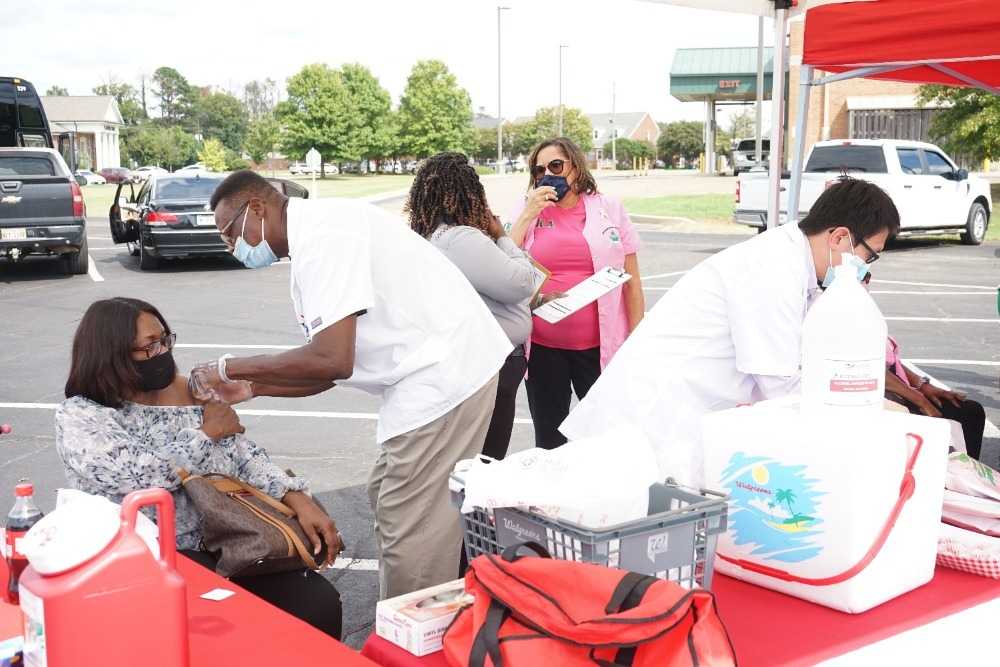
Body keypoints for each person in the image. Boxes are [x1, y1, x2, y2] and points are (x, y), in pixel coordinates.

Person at [197, 170, 511, 599]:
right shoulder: (313, 237)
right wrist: (255, 388)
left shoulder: (326, 238)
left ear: (257, 208)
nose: (232, 247)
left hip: (444, 377)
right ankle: (418, 618)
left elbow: (332, 360)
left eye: (229, 234)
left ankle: (413, 640)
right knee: (388, 496)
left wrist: (230, 368)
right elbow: (327, 369)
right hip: (430, 375)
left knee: (413, 536)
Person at [561, 178, 901, 486]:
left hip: (669, 427)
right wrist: (867, 409)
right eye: (868, 257)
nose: (865, 270)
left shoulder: (794, 265)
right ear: (839, 237)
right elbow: (780, 386)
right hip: (647, 426)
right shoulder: (774, 268)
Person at [55, 297, 344, 639]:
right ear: (112, 355)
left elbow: (241, 454)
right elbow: (140, 476)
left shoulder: (186, 393)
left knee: (317, 603)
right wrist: (206, 433)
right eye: (149, 346)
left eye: (164, 339)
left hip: (229, 542)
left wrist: (296, 497)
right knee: (231, 628)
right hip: (150, 559)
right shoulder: (82, 416)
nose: (162, 352)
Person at [507, 137, 645, 449]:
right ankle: (553, 498)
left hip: (600, 348)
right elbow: (504, 260)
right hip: (543, 348)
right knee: (550, 441)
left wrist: (636, 337)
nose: (548, 175)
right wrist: (529, 213)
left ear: (575, 167)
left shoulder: (609, 209)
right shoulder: (527, 210)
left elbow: (632, 280)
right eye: (539, 170)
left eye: (556, 165)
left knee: (604, 439)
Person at [407, 152, 540, 461]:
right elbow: (523, 282)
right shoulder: (462, 239)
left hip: (472, 359)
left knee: (469, 455)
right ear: (469, 193)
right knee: (486, 459)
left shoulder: (430, 236)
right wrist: (502, 236)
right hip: (492, 363)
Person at [884, 335, 986, 460]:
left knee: (969, 411)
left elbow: (891, 363)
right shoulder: (858, 322)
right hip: (880, 403)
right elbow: (876, 371)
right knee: (964, 415)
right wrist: (923, 402)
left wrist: (923, 386)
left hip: (900, 393)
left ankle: (967, 472)